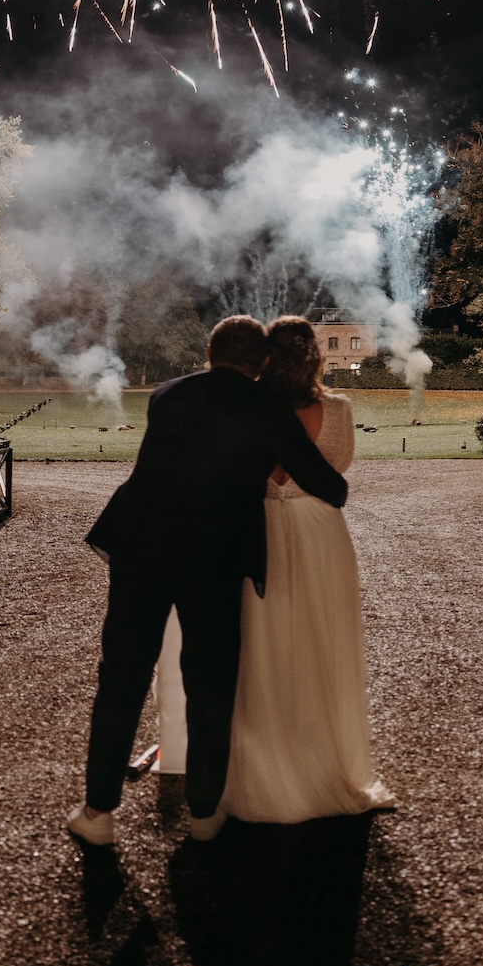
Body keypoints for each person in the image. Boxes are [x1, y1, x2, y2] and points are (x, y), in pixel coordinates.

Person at [67, 315, 349, 847]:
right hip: (213, 557)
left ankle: (97, 813)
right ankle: (203, 813)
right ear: (263, 362)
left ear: (208, 351)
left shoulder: (167, 394)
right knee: (210, 682)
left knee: (121, 680)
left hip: (141, 547)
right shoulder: (268, 407)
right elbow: (323, 483)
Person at [157, 315, 393, 823]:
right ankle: (324, 764)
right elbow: (338, 471)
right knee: (322, 646)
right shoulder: (338, 408)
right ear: (314, 357)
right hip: (319, 531)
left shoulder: (244, 405)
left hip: (253, 528)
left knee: (252, 649)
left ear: (266, 357)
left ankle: (252, 771)